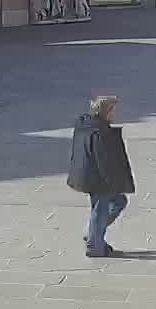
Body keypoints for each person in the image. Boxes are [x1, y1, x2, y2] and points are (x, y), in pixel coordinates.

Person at [67, 95, 134, 258]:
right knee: (102, 208)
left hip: (86, 174)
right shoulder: (101, 133)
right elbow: (104, 161)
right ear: (107, 111)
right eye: (113, 110)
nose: (115, 114)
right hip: (98, 178)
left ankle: (92, 233)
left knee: (118, 201)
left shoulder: (86, 125)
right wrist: (112, 182)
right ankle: (94, 245)